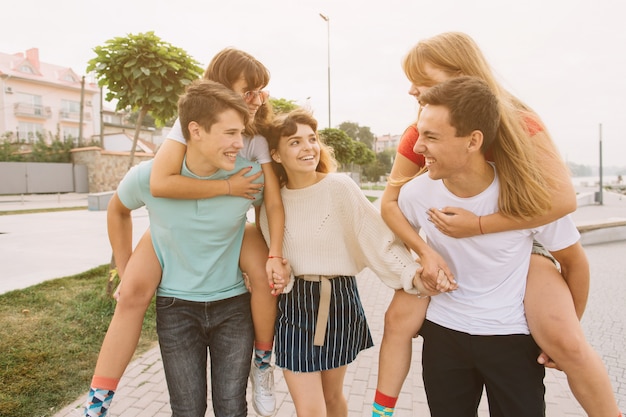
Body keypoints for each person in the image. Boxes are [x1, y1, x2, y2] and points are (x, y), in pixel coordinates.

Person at [373, 32, 620, 417]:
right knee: (397, 318)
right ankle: (380, 409)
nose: (411, 88)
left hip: (524, 231)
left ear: (461, 74)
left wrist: (482, 225)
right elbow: (391, 203)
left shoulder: (519, 123)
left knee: (566, 341)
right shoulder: (420, 133)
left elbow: (562, 202)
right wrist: (424, 252)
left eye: (421, 77)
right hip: (451, 240)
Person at [83, 48, 288, 417]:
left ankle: (263, 360)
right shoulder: (187, 127)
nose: (257, 102)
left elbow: (269, 205)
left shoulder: (252, 144)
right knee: (130, 294)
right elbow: (160, 185)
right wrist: (125, 265)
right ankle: (97, 403)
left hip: (232, 246)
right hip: (172, 241)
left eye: (262, 93)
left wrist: (275, 254)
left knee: (262, 274)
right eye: (249, 93)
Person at [398, 75, 589, 416]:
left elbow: (574, 262)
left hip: (513, 341)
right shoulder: (416, 194)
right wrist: (418, 267)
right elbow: (391, 243)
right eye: (419, 133)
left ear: (473, 141)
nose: (418, 147)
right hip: (444, 336)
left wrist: (565, 334)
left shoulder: (524, 197)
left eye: (431, 137)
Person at [257, 109, 452, 417]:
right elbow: (275, 256)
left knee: (332, 399)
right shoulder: (271, 205)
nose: (308, 148)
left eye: (312, 139)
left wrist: (413, 275)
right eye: (295, 142)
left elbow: (376, 238)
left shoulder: (339, 187)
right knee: (309, 410)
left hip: (338, 301)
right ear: (275, 154)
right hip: (294, 307)